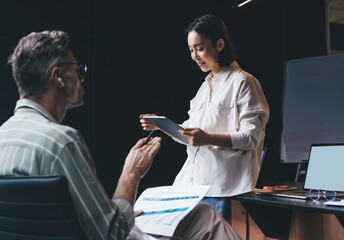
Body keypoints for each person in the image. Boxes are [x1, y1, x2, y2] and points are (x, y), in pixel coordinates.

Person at [0, 30, 242, 240]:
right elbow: (110, 233)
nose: (83, 76)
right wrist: (131, 173)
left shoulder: (4, 136)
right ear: (57, 77)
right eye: (78, 68)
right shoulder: (62, 143)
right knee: (206, 218)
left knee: (198, 215)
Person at [140, 14, 269, 219]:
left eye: (199, 48)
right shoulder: (204, 87)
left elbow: (251, 138)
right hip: (190, 186)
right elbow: (191, 135)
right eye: (191, 50)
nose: (194, 56)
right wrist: (162, 125)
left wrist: (207, 138)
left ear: (219, 44)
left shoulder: (244, 82)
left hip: (221, 189)